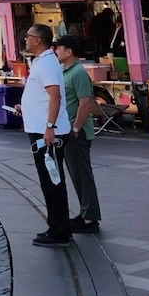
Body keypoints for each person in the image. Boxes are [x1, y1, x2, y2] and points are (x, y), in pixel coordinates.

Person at [13, 24, 72, 247]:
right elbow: (43, 96)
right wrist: (25, 107)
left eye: (28, 36)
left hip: (47, 132)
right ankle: (57, 226)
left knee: (52, 181)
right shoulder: (42, 61)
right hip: (40, 128)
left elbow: (54, 96)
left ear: (38, 40)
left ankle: (59, 231)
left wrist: (50, 126)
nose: (25, 40)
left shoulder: (47, 63)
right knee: (49, 181)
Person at [54, 36, 100, 234]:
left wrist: (76, 128)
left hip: (76, 132)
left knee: (82, 174)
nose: (56, 51)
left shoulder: (79, 73)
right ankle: (85, 213)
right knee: (76, 174)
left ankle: (90, 218)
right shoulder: (65, 72)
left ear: (69, 51)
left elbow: (85, 102)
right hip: (67, 130)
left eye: (59, 48)